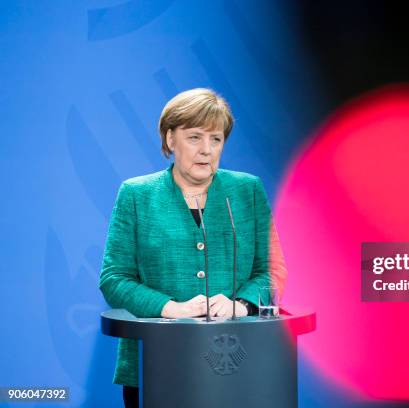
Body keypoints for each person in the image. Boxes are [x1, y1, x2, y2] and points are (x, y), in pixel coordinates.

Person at [98, 88, 287, 408]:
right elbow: (114, 278)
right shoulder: (136, 194)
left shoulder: (247, 190)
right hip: (156, 362)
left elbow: (271, 270)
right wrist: (172, 309)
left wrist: (239, 305)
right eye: (195, 137)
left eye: (215, 139)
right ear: (170, 139)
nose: (206, 150)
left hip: (238, 361)